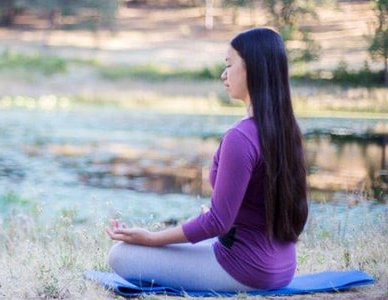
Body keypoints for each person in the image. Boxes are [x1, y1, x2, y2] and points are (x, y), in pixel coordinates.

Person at [105, 27, 308, 292]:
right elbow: (246, 214)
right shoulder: (287, 130)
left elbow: (217, 222)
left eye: (229, 65)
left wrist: (152, 238)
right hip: (283, 268)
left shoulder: (241, 137)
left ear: (253, 69)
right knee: (182, 239)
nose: (224, 74)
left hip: (245, 269)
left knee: (121, 255)